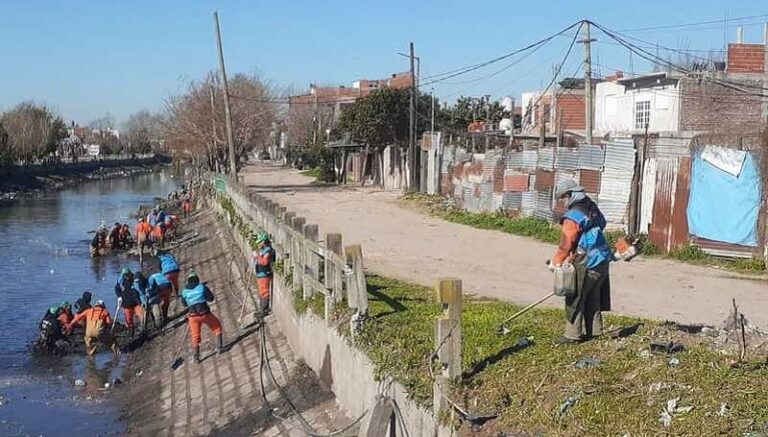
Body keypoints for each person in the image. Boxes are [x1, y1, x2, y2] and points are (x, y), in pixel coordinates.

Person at [550, 179, 613, 345]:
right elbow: (603, 222)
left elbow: (566, 243)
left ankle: (572, 335)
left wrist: (557, 262)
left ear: (569, 195)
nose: (563, 202)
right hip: (602, 258)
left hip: (587, 261)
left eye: (563, 198)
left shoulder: (573, 216)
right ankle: (596, 332)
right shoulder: (591, 206)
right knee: (592, 296)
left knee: (575, 296)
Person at [180, 271, 223, 363]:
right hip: (205, 314)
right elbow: (211, 298)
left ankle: (196, 358)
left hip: (192, 316)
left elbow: (184, 304)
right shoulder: (202, 287)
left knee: (195, 336)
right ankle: (219, 348)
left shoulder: (184, 291)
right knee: (217, 327)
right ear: (197, 279)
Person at [114, 268, 144, 338]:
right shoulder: (121, 280)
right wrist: (119, 297)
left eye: (127, 275)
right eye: (124, 276)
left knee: (142, 316)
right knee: (129, 320)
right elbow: (116, 289)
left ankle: (143, 330)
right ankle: (131, 333)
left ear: (130, 274)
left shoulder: (135, 279)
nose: (126, 277)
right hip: (126, 304)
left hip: (136, 303)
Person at [251, 232, 276, 314]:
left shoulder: (267, 251)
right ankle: (261, 307)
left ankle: (264, 309)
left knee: (264, 291)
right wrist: (254, 258)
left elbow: (264, 262)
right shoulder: (262, 250)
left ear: (264, 242)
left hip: (265, 274)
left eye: (260, 242)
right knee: (261, 291)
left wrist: (257, 256)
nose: (258, 244)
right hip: (260, 274)